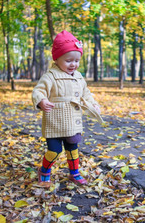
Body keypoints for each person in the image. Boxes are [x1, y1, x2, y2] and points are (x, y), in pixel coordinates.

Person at [32, 30, 103, 187]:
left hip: (72, 120)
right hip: (55, 121)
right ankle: (44, 171)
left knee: (73, 148)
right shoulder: (50, 76)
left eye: (77, 61)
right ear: (57, 59)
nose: (73, 64)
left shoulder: (78, 76)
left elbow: (86, 93)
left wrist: (93, 104)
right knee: (54, 151)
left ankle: (74, 173)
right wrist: (41, 100)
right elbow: (38, 91)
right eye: (69, 60)